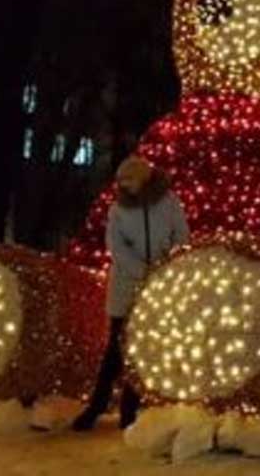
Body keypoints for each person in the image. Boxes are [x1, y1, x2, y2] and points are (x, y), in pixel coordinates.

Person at [72, 155, 189, 431]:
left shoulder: (169, 203)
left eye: (130, 180)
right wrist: (140, 270)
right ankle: (97, 405)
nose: (125, 186)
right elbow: (115, 245)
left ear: (144, 178)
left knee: (144, 349)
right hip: (126, 285)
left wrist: (165, 267)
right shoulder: (118, 209)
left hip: (160, 284)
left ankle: (130, 409)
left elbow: (181, 235)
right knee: (116, 348)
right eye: (122, 182)